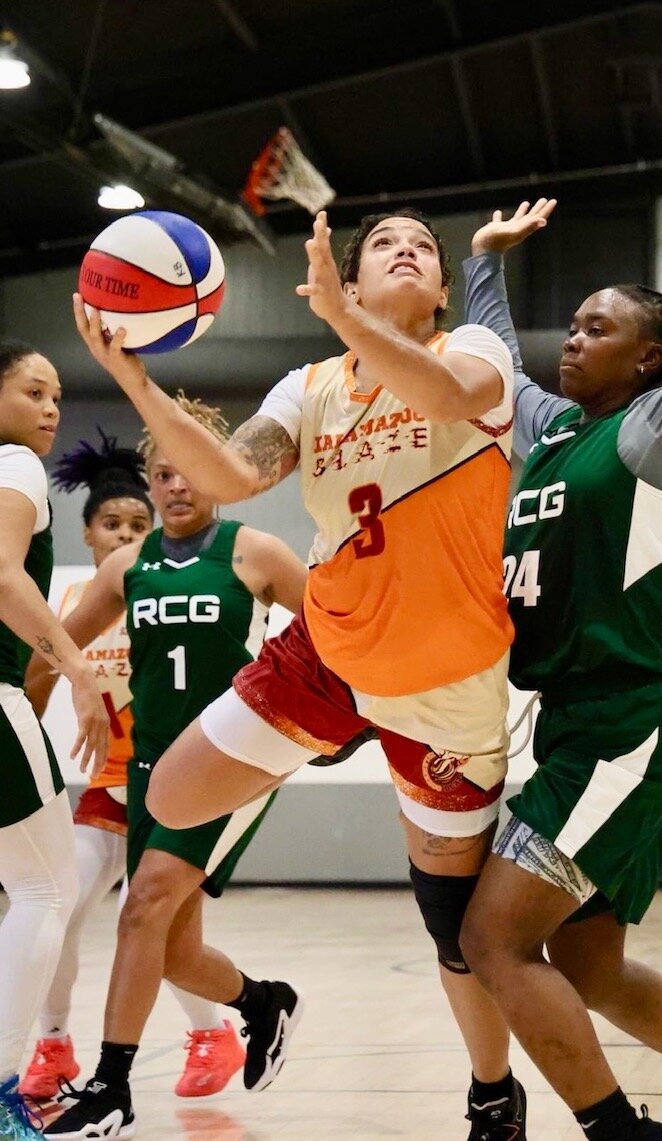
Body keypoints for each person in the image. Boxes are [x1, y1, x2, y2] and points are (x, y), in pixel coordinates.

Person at [70, 207, 529, 1141]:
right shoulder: (311, 383)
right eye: (383, 245)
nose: (409, 249)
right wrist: (133, 377)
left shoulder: (477, 349)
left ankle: (492, 1090)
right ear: (350, 284)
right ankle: (323, 736)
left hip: (443, 681)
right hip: (330, 650)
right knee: (183, 793)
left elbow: (444, 397)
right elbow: (235, 474)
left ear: (441, 290)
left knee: (452, 923)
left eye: (425, 247)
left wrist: (348, 321)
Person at [458, 201, 662, 1141]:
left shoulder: (657, 429)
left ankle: (617, 1132)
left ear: (651, 360)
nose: (573, 339)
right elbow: (496, 356)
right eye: (573, 323)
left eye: (598, 327)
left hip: (625, 724)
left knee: (491, 939)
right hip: (579, 726)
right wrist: (483, 262)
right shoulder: (546, 432)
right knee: (591, 966)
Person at [43, 392, 310, 1141]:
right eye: (164, 472)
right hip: (153, 767)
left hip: (232, 759)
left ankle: (110, 1085)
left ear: (219, 475)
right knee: (171, 950)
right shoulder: (129, 566)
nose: (179, 484)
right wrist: (80, 685)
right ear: (151, 482)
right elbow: (56, 643)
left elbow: (334, 633)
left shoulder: (255, 551)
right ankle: (262, 1002)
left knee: (141, 906)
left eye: (193, 468)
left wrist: (311, 731)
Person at [21, 429, 254, 1102]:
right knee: (62, 914)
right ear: (88, 533)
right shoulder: (73, 611)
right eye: (110, 524)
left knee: (151, 920)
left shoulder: (178, 582)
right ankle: (54, 1043)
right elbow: (39, 675)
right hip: (108, 784)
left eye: (136, 524)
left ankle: (212, 1032)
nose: (124, 534)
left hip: (176, 777)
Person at [0, 340, 109, 1140]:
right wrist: (75, 666)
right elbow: (4, 576)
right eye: (33, 390)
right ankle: (5, 1089)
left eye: (57, 393)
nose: (51, 407)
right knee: (47, 889)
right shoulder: (16, 467)